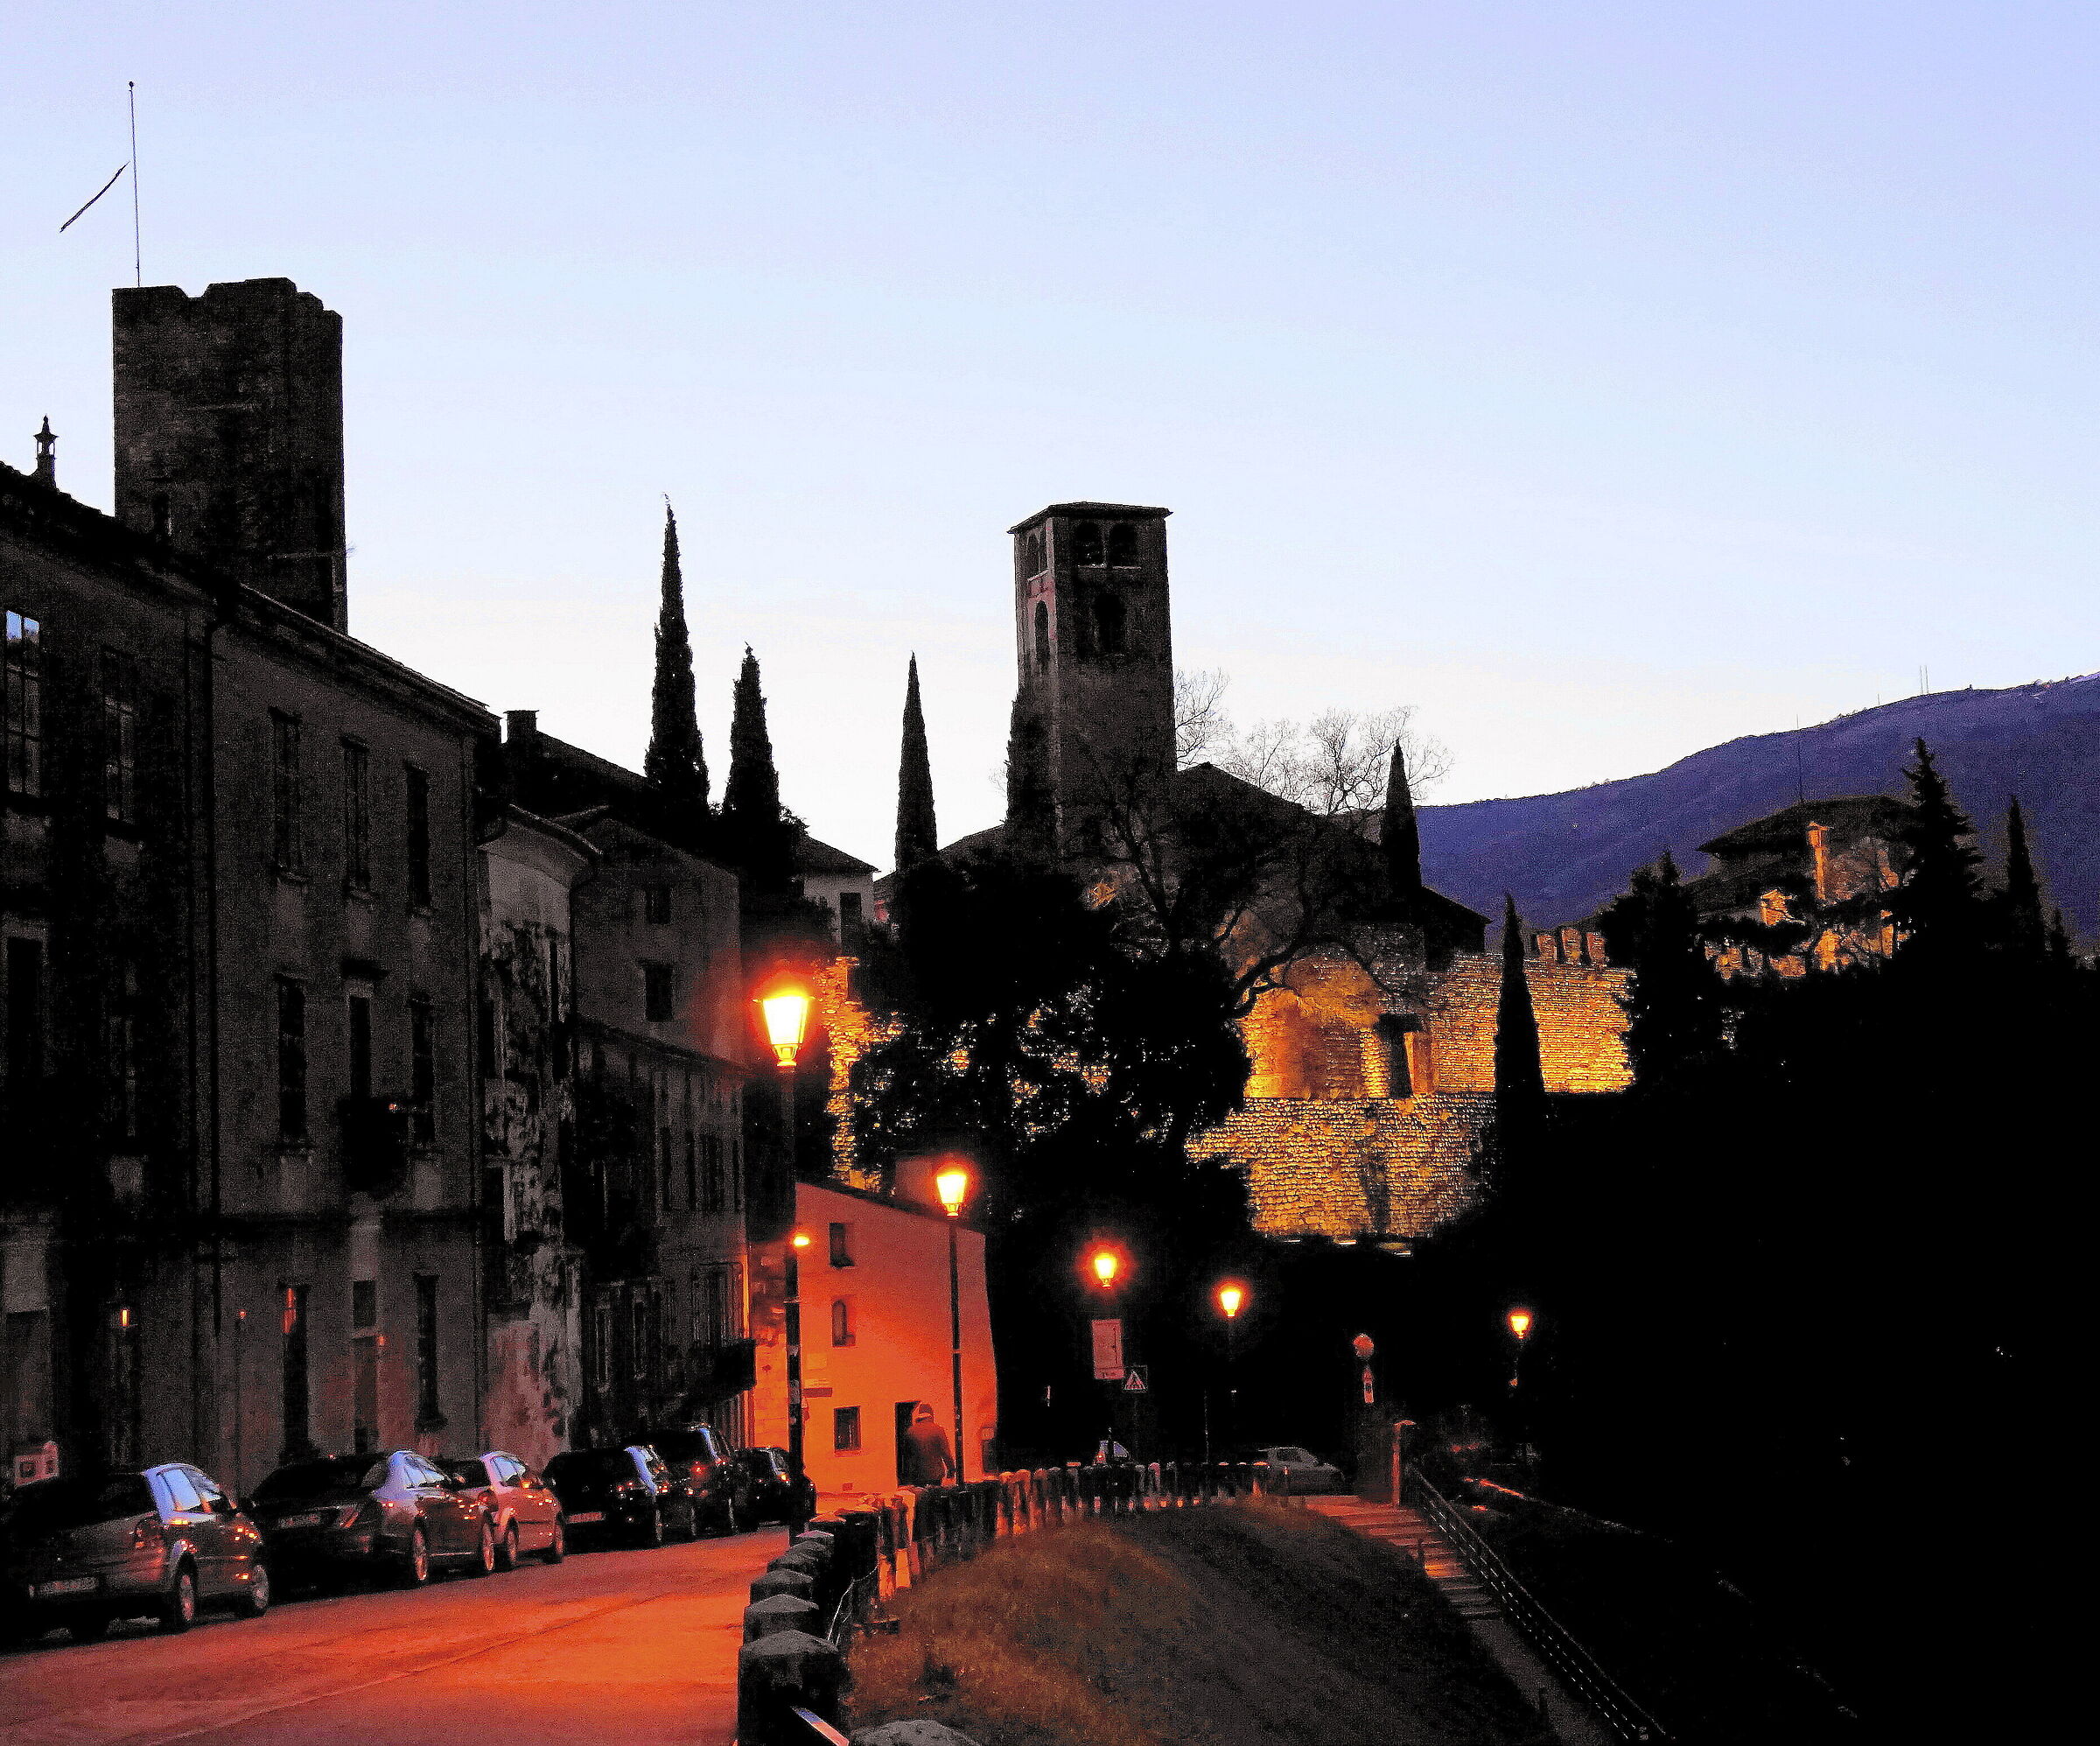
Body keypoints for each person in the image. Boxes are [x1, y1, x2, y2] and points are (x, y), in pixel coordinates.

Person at [900, 1402, 955, 1486]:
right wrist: (951, 1470)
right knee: (934, 1497)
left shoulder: (910, 1431)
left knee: (921, 1497)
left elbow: (906, 1455)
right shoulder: (938, 1430)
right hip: (935, 1475)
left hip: (916, 1475)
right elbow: (946, 1453)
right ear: (931, 1415)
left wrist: (905, 1477)